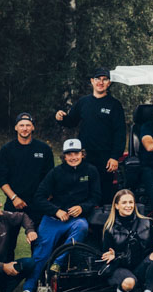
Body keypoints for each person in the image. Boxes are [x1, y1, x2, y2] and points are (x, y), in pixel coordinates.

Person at [24, 139, 100, 292]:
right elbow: (39, 197)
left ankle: (57, 263)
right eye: (69, 154)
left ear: (82, 154)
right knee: (41, 252)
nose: (73, 157)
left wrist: (82, 207)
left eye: (76, 153)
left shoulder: (91, 171)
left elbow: (96, 197)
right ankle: (28, 289)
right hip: (53, 219)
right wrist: (56, 211)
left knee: (82, 226)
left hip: (75, 219)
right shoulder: (55, 172)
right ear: (64, 156)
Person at [54, 68, 126, 202]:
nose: (101, 82)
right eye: (98, 79)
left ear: (109, 83)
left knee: (105, 193)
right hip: (85, 156)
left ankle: (105, 220)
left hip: (105, 158)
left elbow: (120, 133)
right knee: (83, 190)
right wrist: (61, 117)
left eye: (105, 80)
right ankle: (84, 221)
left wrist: (115, 157)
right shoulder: (83, 102)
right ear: (92, 81)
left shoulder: (114, 105)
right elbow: (71, 122)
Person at [99, 189, 153, 292]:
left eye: (131, 202)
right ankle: (121, 289)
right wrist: (113, 256)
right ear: (116, 206)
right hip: (120, 267)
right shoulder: (109, 228)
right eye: (124, 203)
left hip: (139, 266)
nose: (128, 206)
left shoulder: (146, 223)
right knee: (129, 283)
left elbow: (151, 248)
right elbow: (106, 254)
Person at [0, 113, 53, 215]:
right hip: (14, 202)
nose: (25, 128)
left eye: (28, 125)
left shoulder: (44, 149)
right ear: (16, 127)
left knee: (37, 231)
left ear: (33, 127)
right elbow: (1, 178)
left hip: (37, 203)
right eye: (21, 125)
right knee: (7, 231)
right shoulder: (6, 150)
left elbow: (50, 176)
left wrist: (46, 195)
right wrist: (14, 198)